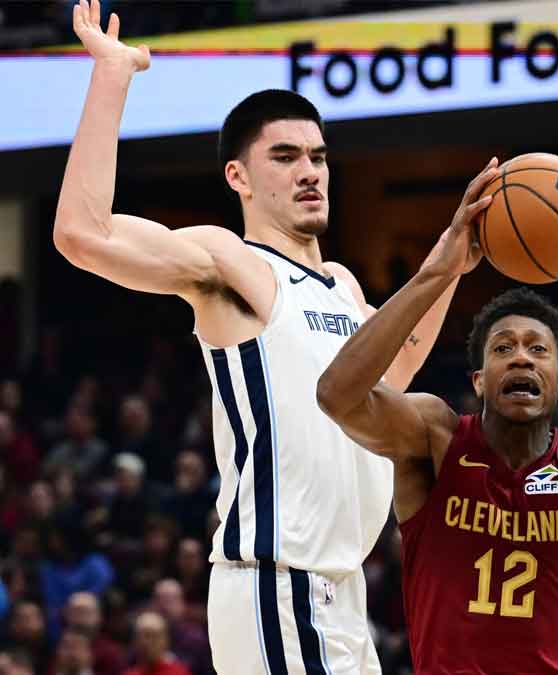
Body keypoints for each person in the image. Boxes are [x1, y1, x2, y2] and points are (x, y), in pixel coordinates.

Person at [54, 2, 457, 671]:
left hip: (342, 591)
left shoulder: (342, 285)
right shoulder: (231, 262)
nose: (311, 172)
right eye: (287, 156)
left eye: (319, 157)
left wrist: (454, 258)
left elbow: (391, 376)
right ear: (238, 177)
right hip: (277, 582)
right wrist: (112, 76)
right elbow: (82, 234)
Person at [317, 157, 558, 672]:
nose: (520, 356)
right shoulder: (435, 441)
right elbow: (338, 396)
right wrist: (439, 271)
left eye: (538, 350)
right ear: (479, 380)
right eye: (503, 348)